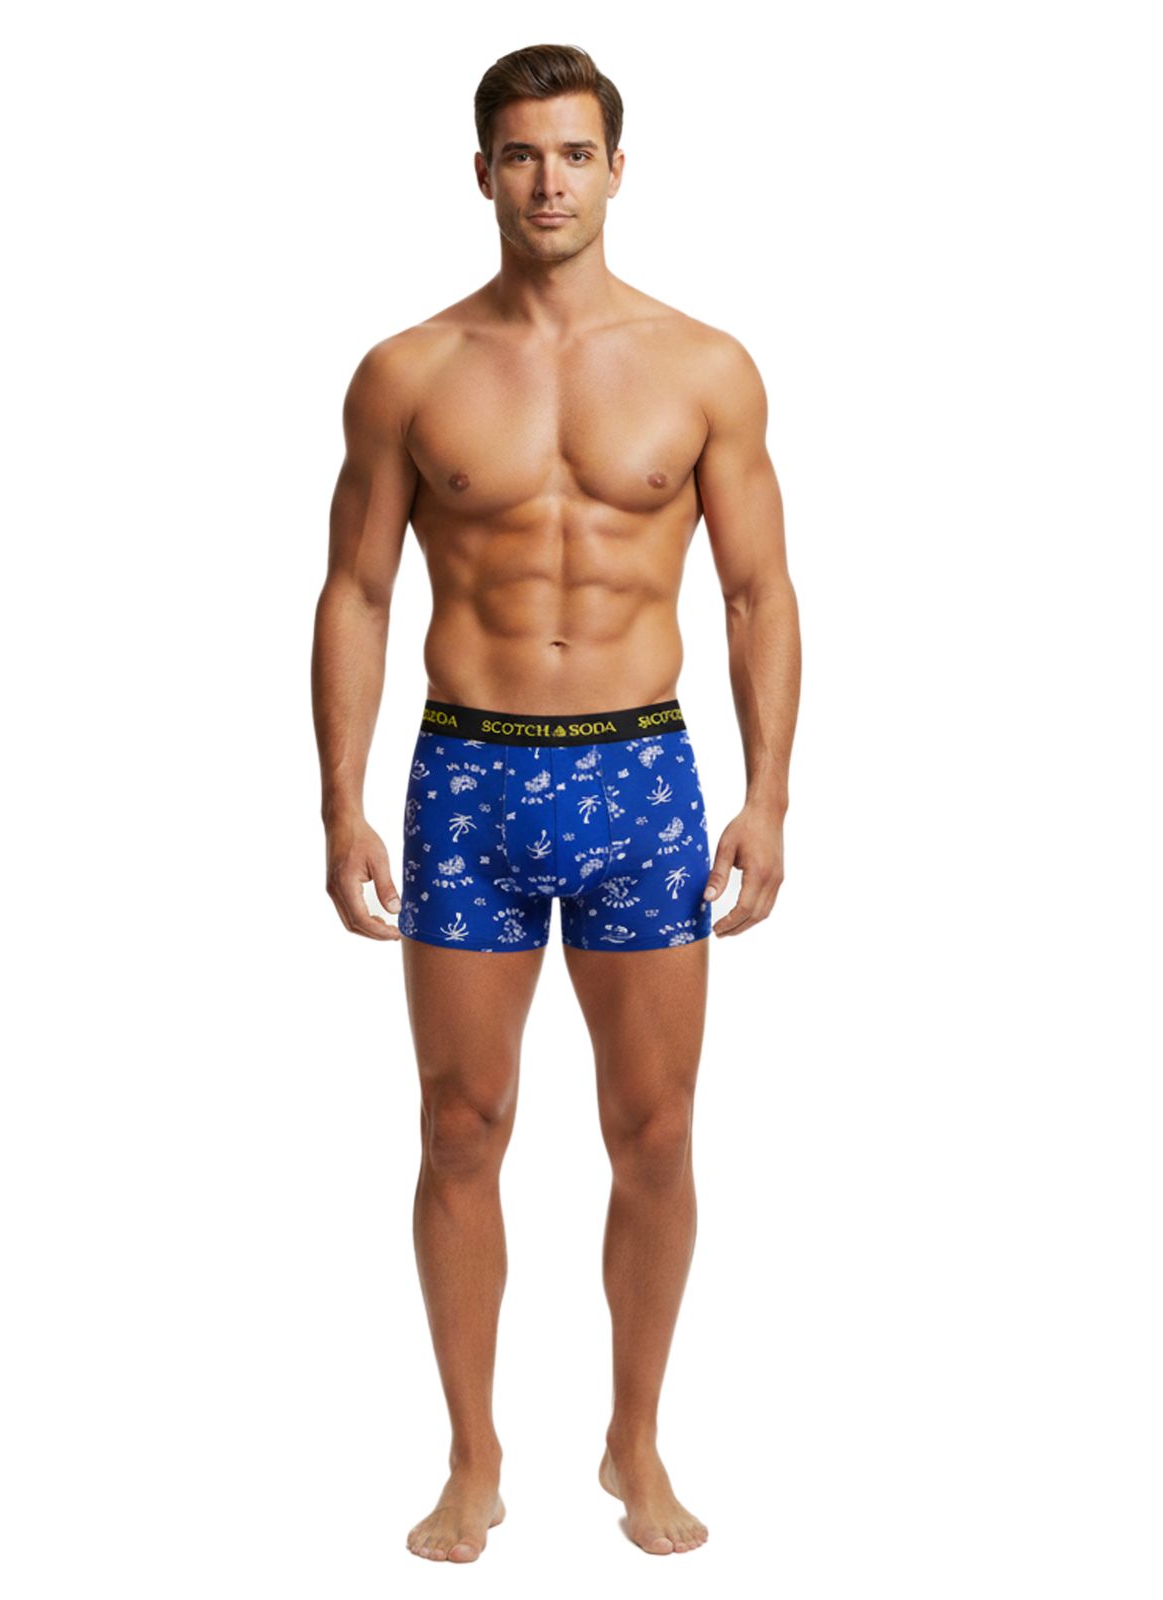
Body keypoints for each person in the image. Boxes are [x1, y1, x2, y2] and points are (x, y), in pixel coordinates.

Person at [311, 42, 801, 1563]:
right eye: (521, 154)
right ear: (481, 172)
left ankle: (634, 1442)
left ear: (616, 169)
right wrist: (339, 804)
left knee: (654, 1131)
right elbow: (355, 592)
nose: (547, 181)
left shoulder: (704, 366)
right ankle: (473, 1458)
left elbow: (757, 593)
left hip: (641, 776)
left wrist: (770, 796)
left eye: (574, 153)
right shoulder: (408, 372)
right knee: (460, 1127)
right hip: (466, 777)